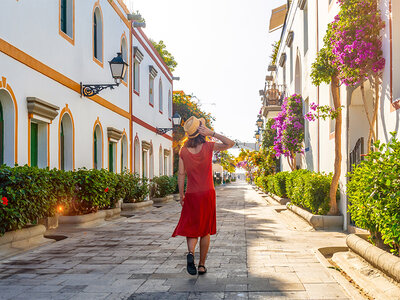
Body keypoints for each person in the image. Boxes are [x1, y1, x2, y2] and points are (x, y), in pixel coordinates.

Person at [172, 116, 235, 275]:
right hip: (207, 193)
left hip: (191, 194)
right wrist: (212, 132)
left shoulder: (183, 150)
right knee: (205, 230)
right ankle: (201, 265)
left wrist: (181, 195)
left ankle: (191, 253)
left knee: (192, 228)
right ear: (201, 131)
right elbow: (230, 144)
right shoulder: (208, 146)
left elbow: (181, 174)